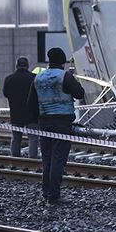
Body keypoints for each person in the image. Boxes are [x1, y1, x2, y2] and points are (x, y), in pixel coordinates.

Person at [28, 47, 85, 204]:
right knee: (58, 158)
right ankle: (54, 194)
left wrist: (39, 118)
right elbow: (80, 93)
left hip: (44, 122)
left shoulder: (38, 78)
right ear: (62, 61)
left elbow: (31, 102)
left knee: (47, 158)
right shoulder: (64, 76)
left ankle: (46, 192)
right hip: (62, 122)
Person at [3, 57, 39, 158]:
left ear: (16, 66)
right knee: (33, 137)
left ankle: (15, 158)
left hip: (15, 112)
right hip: (32, 113)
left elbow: (5, 93)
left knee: (16, 137)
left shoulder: (9, 79)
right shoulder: (34, 78)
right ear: (27, 66)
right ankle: (32, 158)